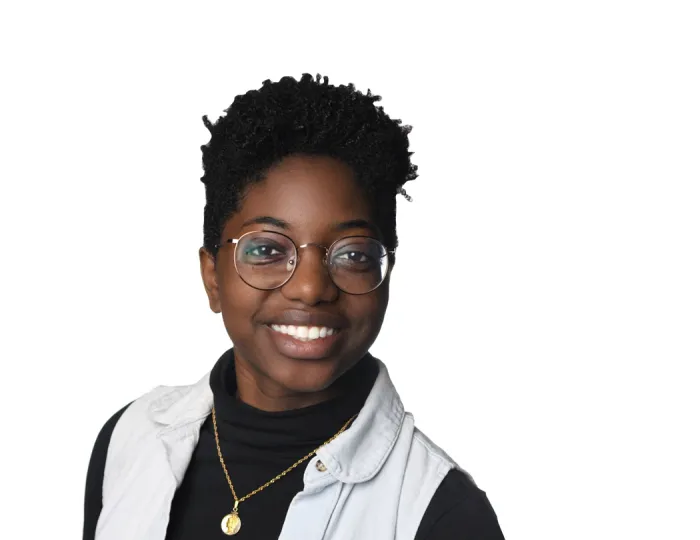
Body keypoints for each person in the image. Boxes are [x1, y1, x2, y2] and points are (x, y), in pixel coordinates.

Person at [83, 74, 504, 539]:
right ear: (212, 277)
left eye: (353, 254)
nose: (309, 288)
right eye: (266, 250)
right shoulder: (129, 439)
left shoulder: (442, 514)